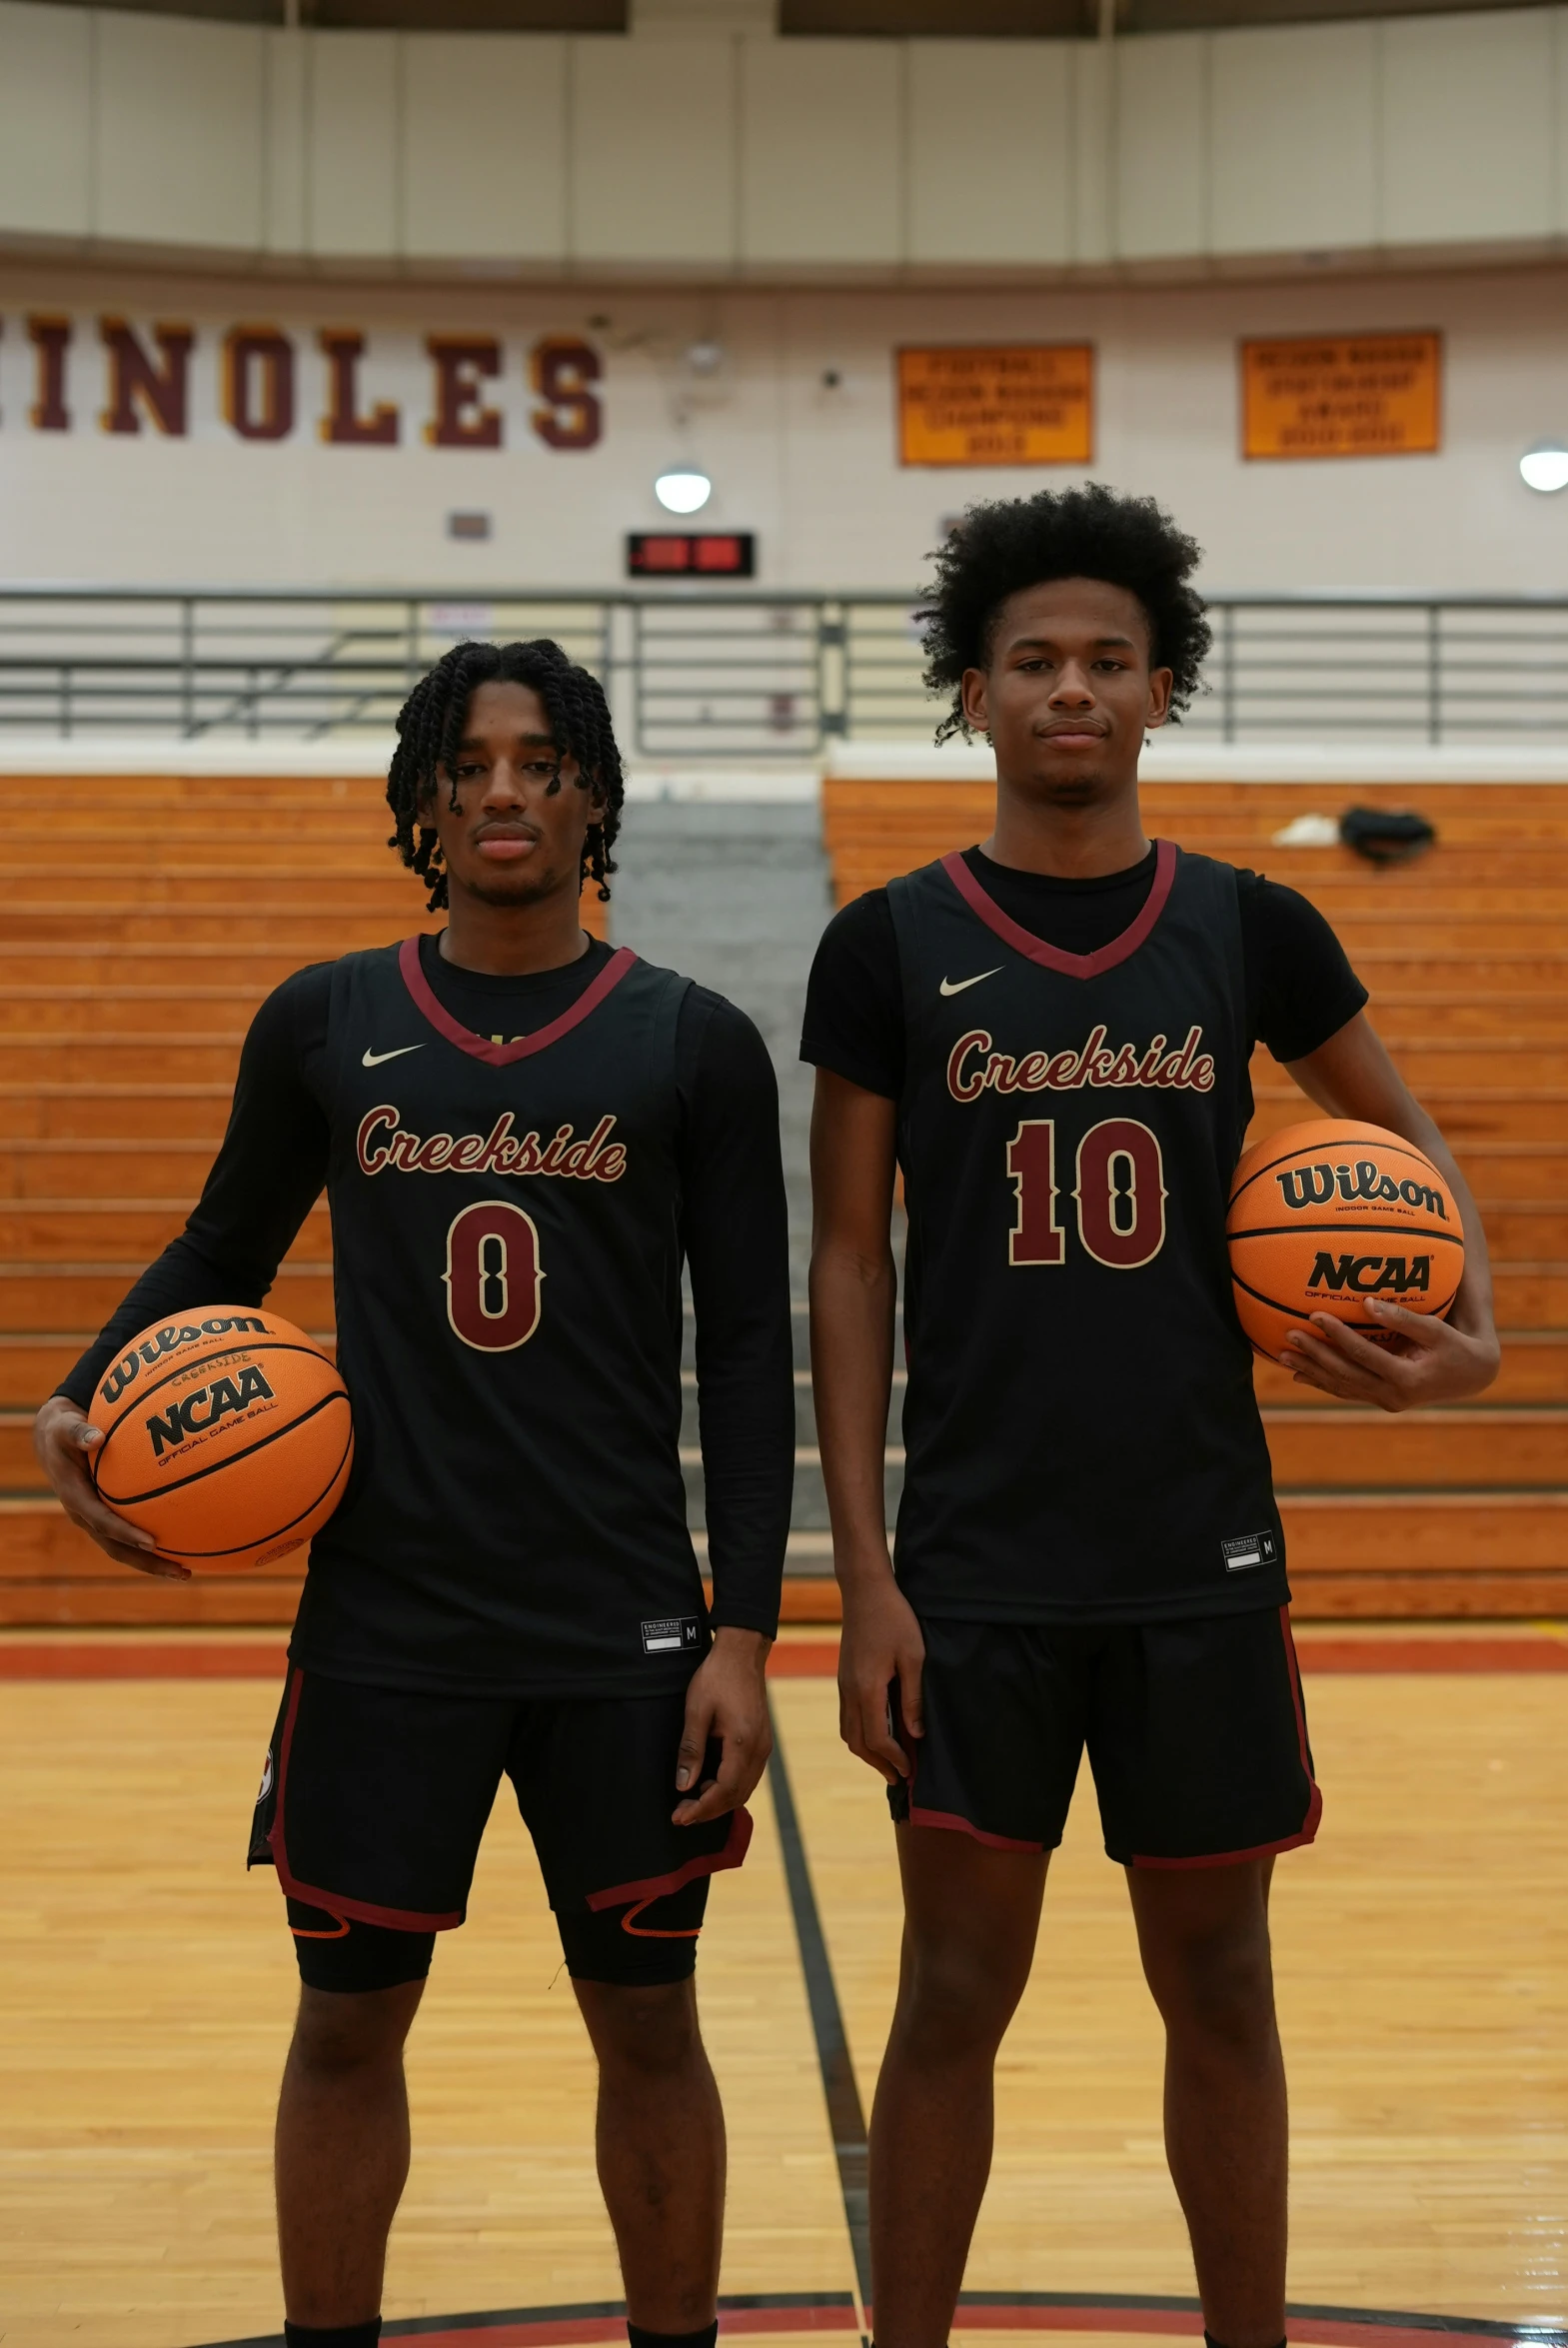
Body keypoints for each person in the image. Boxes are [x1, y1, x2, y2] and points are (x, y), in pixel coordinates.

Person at [34, 639, 794, 2348]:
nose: (504, 791)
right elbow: (226, 1244)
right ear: (424, 803)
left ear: (594, 796)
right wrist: (84, 1390)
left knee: (651, 2025)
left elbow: (750, 1352)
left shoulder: (693, 1042)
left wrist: (741, 1631)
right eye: (469, 765)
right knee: (343, 2024)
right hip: (383, 1622)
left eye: (539, 762)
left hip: (624, 1631)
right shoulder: (329, 1020)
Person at [801, 488, 1499, 2348]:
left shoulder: (1249, 927)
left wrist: (1478, 1337)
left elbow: (1412, 1152)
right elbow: (850, 1265)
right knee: (952, 1995)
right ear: (972, 690)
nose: (1071, 690)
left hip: (1200, 1560)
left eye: (1110, 659)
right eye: (1032, 660)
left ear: (1163, 688)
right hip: (974, 1570)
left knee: (1227, 1992)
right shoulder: (885, 945)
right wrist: (864, 1577)